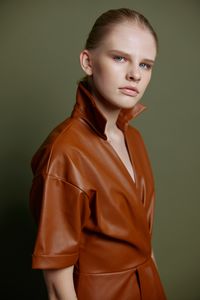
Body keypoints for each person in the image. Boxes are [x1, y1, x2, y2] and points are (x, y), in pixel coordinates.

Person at [29, 8, 167, 300]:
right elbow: (57, 285)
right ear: (88, 62)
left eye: (146, 65)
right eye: (119, 57)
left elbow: (144, 243)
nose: (134, 74)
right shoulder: (64, 153)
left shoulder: (134, 138)